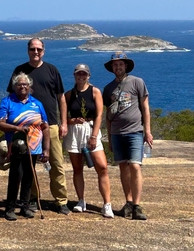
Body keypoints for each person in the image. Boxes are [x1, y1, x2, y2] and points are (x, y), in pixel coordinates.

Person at [7, 38, 69, 215]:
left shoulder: (52, 70)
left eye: (39, 49)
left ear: (44, 50)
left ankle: (61, 201)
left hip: (51, 125)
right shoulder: (20, 71)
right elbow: (11, 97)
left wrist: (64, 122)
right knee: (29, 165)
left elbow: (61, 98)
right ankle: (31, 199)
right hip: (28, 130)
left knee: (56, 164)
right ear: (28, 50)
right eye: (33, 49)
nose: (36, 52)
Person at [102, 52, 152, 220]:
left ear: (126, 66)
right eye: (115, 65)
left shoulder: (138, 82)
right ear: (112, 68)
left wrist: (148, 131)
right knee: (123, 167)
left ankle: (137, 205)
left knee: (135, 166)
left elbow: (145, 108)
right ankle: (128, 202)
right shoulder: (108, 88)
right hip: (116, 133)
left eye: (120, 64)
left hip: (135, 131)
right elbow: (108, 115)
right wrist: (108, 137)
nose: (118, 67)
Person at [0, 72, 50, 221]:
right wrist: (18, 129)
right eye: (19, 85)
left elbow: (45, 127)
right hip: (16, 145)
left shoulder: (37, 103)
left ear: (30, 86)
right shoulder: (7, 102)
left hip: (34, 146)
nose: (23, 87)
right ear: (14, 87)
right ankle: (10, 208)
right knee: (16, 176)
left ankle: (25, 206)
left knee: (29, 176)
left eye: (25, 84)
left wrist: (46, 149)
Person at [64, 64, 114, 218]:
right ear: (74, 75)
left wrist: (94, 135)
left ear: (88, 76)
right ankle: (81, 201)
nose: (81, 77)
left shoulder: (95, 91)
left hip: (91, 129)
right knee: (77, 168)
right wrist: (72, 121)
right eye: (78, 74)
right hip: (75, 132)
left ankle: (107, 204)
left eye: (84, 74)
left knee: (102, 167)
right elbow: (65, 117)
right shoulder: (68, 94)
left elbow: (99, 114)